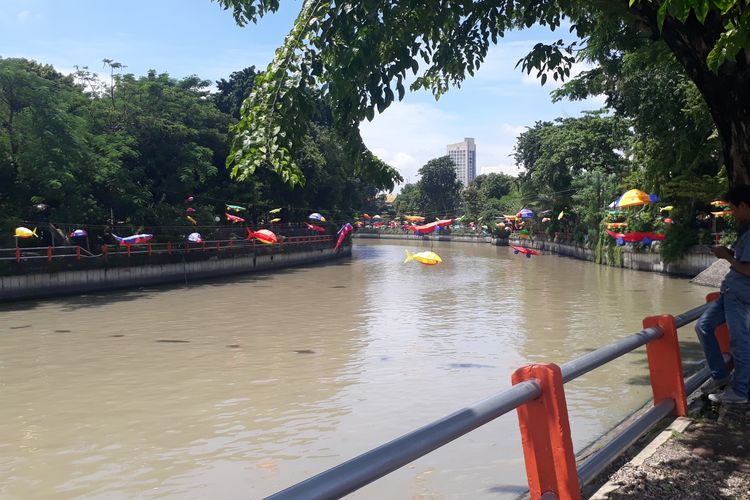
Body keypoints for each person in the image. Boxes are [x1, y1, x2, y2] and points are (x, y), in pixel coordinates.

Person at [695, 185, 750, 404]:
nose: (733, 214)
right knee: (703, 326)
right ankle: (720, 375)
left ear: (744, 205)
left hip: (740, 296)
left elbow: (747, 269)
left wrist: (726, 256)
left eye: (734, 209)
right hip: (730, 292)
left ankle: (740, 392)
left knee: (740, 341)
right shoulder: (746, 230)